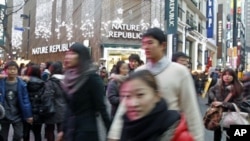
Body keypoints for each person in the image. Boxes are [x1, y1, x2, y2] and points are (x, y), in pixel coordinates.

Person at [108, 27, 204, 141]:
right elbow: (125, 106)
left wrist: (198, 137)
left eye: (150, 43)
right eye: (144, 43)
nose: (146, 47)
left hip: (169, 131)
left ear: (163, 45)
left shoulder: (180, 72)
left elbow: (190, 109)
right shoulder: (139, 72)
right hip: (142, 131)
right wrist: (114, 134)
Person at [57, 42, 111, 141]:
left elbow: (101, 108)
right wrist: (62, 129)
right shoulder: (67, 78)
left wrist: (110, 132)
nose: (68, 56)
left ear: (82, 56)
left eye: (73, 53)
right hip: (70, 130)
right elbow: (68, 107)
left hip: (86, 132)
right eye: (68, 53)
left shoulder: (91, 78)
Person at [119, 70, 193, 141]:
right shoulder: (127, 127)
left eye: (140, 95)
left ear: (157, 95)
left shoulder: (179, 135)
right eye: (127, 96)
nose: (133, 103)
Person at [0, 61, 33, 141]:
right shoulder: (1, 83)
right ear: (5, 70)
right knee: (2, 137)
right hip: (4, 115)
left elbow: (25, 100)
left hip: (17, 115)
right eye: (10, 69)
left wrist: (28, 115)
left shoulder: (22, 84)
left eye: (14, 69)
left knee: (18, 135)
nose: (12, 71)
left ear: (17, 71)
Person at [208, 68, 243, 141]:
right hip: (218, 114)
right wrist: (214, 98)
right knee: (217, 134)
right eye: (225, 75)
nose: (227, 77)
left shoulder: (238, 87)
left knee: (229, 135)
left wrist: (221, 103)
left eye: (230, 75)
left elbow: (238, 105)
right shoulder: (218, 85)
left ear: (234, 77)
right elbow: (211, 90)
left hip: (231, 115)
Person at [21, 64, 45, 141]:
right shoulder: (43, 83)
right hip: (38, 111)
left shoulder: (24, 82)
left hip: (26, 111)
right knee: (37, 133)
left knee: (25, 132)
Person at [44, 61, 66, 141]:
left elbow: (47, 96)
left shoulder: (50, 82)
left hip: (52, 110)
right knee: (62, 131)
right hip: (64, 110)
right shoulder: (68, 81)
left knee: (50, 130)